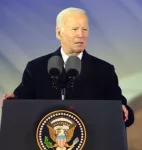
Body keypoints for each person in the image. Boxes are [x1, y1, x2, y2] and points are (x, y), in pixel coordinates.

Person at [1, 7, 134, 127]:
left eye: (85, 29)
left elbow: (124, 112)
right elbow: (20, 107)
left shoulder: (104, 70)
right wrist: (11, 104)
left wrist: (124, 111)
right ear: (59, 33)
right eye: (75, 29)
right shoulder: (36, 68)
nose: (81, 35)